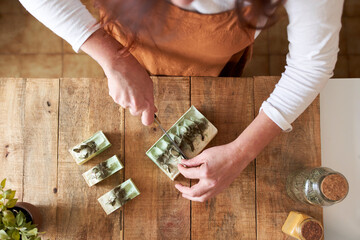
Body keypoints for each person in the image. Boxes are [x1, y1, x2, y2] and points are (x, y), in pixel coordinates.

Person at [19, 0, 344, 202]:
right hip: (123, 42)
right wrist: (113, 57)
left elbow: (312, 64)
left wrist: (242, 152)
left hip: (211, 60)